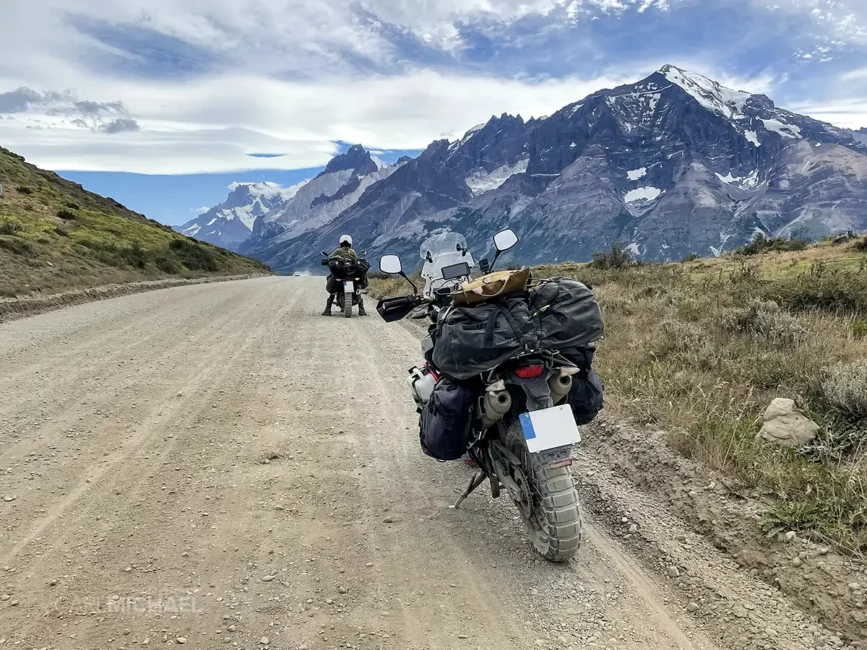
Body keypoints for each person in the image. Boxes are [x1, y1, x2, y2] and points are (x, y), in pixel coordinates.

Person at [322, 235, 368, 316]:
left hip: (341, 275)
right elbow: (356, 259)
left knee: (333, 289)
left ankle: (327, 309)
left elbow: (331, 258)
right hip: (352, 274)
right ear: (350, 243)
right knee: (357, 288)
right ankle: (361, 309)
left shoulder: (337, 251)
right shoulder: (352, 252)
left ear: (340, 243)